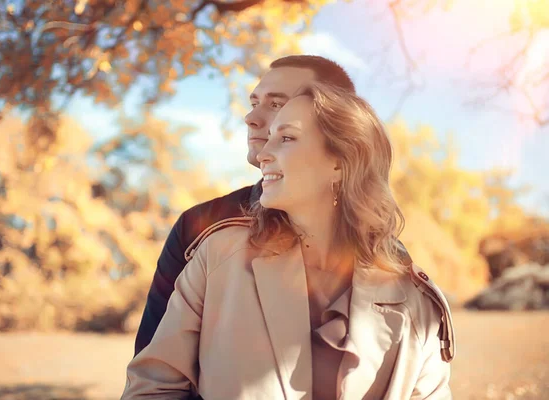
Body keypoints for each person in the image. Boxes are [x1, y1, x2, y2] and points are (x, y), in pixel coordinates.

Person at [121, 82, 455, 399]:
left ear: (340, 161)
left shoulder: (417, 302)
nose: (263, 153)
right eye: (268, 138)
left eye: (286, 138)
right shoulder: (218, 257)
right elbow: (153, 389)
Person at [133, 55, 361, 356]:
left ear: (335, 124)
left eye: (277, 105)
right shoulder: (199, 229)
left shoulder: (381, 253)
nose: (250, 118)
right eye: (255, 102)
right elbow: (152, 366)